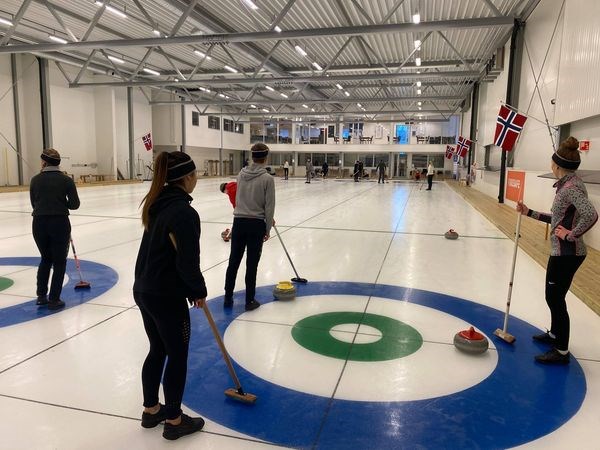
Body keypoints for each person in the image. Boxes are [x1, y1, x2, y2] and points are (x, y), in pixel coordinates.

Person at [134, 151, 207, 440]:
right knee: (177, 356)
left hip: (145, 289)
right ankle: (175, 421)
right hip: (165, 295)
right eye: (195, 174)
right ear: (187, 177)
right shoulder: (184, 213)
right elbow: (187, 261)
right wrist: (197, 290)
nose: (197, 178)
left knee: (157, 349)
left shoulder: (156, 203)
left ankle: (152, 410)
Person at [516, 137, 598, 365]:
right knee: (553, 297)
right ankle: (554, 334)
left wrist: (571, 234)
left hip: (567, 254)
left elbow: (591, 215)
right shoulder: (569, 185)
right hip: (562, 252)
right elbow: (558, 219)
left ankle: (561, 351)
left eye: (551, 162)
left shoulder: (570, 188)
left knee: (555, 298)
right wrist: (529, 212)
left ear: (556, 165)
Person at [224, 143, 275, 311]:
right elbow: (269, 206)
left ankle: (228, 297)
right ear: (265, 157)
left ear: (252, 157)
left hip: (239, 222)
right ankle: (249, 300)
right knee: (251, 264)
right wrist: (267, 228)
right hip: (256, 224)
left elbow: (238, 198)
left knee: (233, 261)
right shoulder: (267, 178)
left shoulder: (241, 174)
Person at [29, 148, 80, 310]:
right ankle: (54, 299)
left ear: (44, 162)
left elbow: (34, 203)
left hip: (39, 223)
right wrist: (60, 203)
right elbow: (75, 204)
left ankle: (41, 296)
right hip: (59, 223)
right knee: (59, 261)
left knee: (45, 258)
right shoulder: (66, 180)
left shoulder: (35, 180)